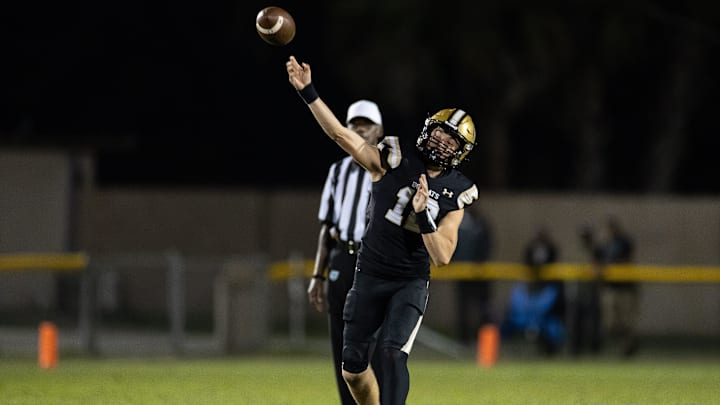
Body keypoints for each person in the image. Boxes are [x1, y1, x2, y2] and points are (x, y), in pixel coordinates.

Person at [286, 55, 479, 405]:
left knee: (391, 354)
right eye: (439, 133)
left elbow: (442, 256)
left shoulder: (458, 191)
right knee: (353, 373)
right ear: (427, 129)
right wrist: (308, 92)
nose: (441, 143)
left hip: (409, 281)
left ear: (460, 153)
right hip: (369, 274)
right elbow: (341, 135)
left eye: (451, 142)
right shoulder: (395, 157)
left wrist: (423, 216)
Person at [307, 99, 384, 405]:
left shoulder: (385, 169)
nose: (359, 129)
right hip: (342, 258)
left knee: (373, 343)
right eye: (354, 125)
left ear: (378, 131)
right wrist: (317, 274)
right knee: (340, 343)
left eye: (365, 125)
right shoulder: (338, 171)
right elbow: (327, 227)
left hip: (372, 263)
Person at [500, 226, 565, 355]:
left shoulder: (551, 290)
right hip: (527, 315)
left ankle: (551, 350)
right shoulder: (523, 290)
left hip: (543, 318)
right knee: (507, 322)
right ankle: (505, 350)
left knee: (553, 327)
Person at [581, 216, 639, 357]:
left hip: (625, 288)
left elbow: (624, 260)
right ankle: (626, 344)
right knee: (610, 324)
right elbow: (595, 257)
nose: (610, 231)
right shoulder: (604, 245)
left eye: (612, 228)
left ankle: (627, 346)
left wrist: (605, 268)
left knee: (626, 321)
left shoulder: (624, 242)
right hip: (609, 289)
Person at [452, 210, 493, 345]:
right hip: (462, 272)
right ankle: (464, 339)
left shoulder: (481, 224)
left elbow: (487, 245)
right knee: (463, 308)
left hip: (480, 273)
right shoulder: (459, 224)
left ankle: (484, 341)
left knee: (483, 308)